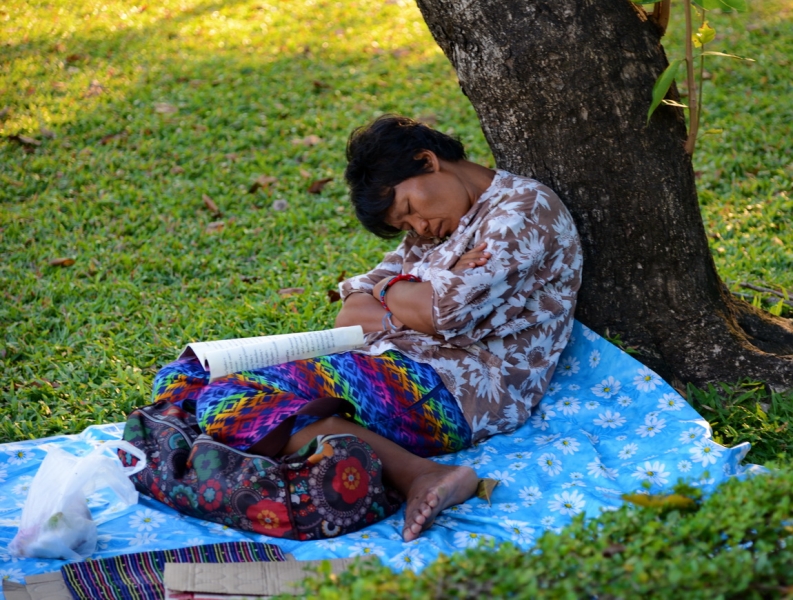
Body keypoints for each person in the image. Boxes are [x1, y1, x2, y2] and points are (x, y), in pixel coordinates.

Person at [151, 115, 582, 542]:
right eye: (406, 225)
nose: (419, 228)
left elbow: (440, 313)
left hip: (457, 385)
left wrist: (399, 289)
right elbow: (350, 312)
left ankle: (422, 473)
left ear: (428, 160)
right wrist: (416, 286)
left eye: (410, 211)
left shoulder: (522, 211)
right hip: (388, 360)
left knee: (229, 398)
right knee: (185, 378)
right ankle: (303, 443)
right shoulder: (436, 230)